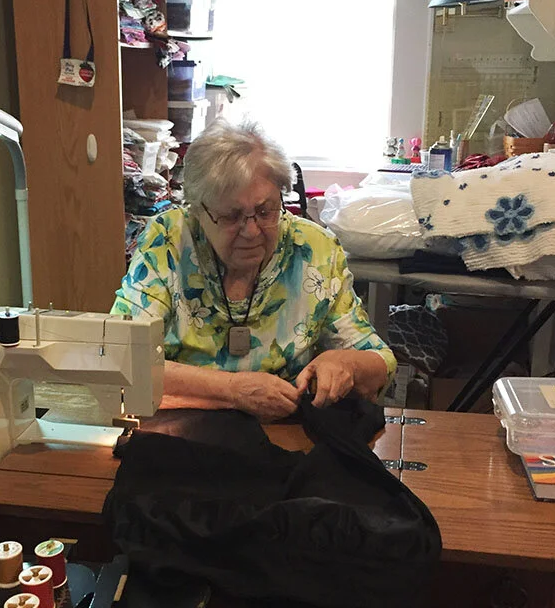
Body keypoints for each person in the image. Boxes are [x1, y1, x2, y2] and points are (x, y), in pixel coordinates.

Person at [112, 119, 396, 422]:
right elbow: (121, 355)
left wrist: (347, 364)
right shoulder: (168, 240)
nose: (251, 231)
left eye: (265, 211)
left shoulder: (314, 250)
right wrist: (232, 390)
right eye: (231, 215)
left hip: (286, 438)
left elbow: (381, 362)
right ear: (196, 210)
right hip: (181, 432)